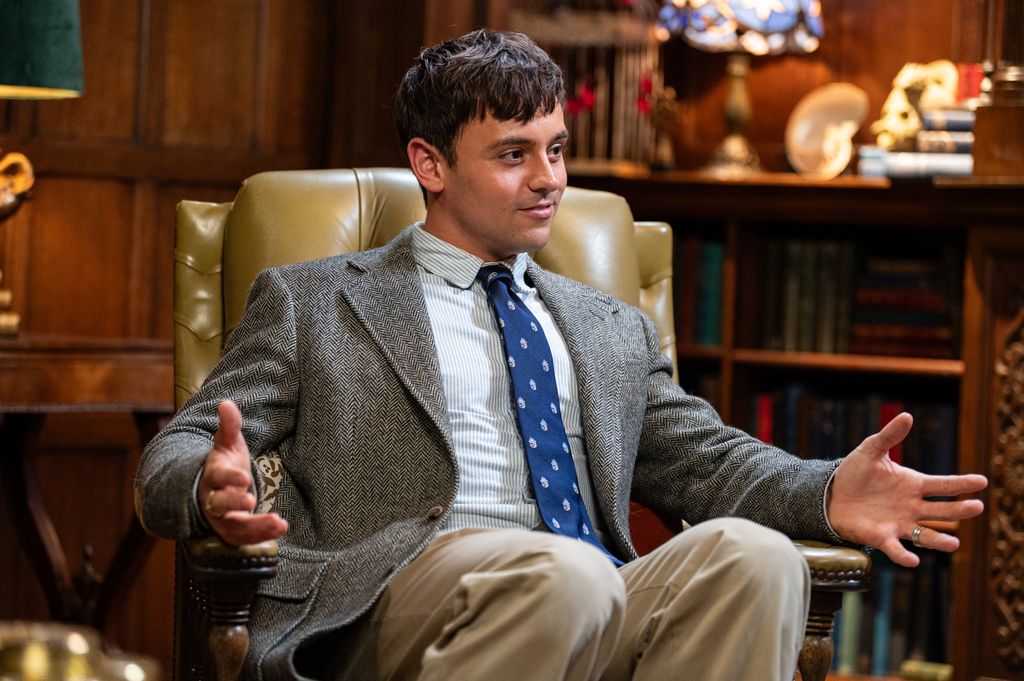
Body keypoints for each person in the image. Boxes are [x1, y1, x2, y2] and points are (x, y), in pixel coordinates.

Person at [135, 29, 988, 681]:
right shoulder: (315, 299)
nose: (548, 179)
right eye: (513, 156)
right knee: (565, 574)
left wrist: (832, 487)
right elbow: (172, 453)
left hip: (594, 582)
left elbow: (713, 463)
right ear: (429, 164)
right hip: (396, 596)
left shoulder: (607, 326)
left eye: (555, 148)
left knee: (754, 558)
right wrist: (210, 489)